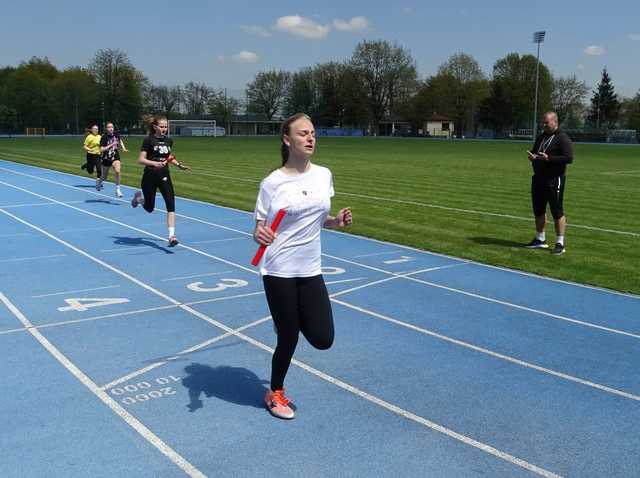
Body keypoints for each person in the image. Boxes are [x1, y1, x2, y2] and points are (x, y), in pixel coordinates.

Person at [253, 113, 353, 419]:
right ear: (287, 140)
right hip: (279, 269)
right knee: (289, 337)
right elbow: (259, 228)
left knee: (323, 339)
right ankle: (276, 392)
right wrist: (260, 232)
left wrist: (336, 221)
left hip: (310, 268)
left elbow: (318, 215)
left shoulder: (323, 175)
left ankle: (285, 320)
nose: (310, 138)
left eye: (313, 133)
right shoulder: (273, 183)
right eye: (303, 134)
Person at [131, 115, 190, 247]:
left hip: (164, 176)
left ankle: (171, 236)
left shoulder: (169, 141)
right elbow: (140, 160)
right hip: (150, 176)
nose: (164, 129)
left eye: (166, 127)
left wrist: (179, 165)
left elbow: (168, 156)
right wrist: (154, 164)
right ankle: (138, 199)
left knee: (171, 205)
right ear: (155, 127)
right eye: (162, 127)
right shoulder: (148, 140)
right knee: (149, 208)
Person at [526, 111, 574, 255]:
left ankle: (560, 243)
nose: (544, 125)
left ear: (555, 122)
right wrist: (533, 157)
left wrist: (549, 159)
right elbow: (536, 151)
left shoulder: (562, 138)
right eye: (543, 122)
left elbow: (569, 158)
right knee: (538, 209)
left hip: (554, 178)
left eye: (547, 122)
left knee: (557, 211)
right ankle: (540, 239)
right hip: (539, 178)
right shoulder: (541, 137)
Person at [97, 122, 128, 196]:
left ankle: (118, 190)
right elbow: (101, 150)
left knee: (117, 171)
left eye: (112, 127)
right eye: (109, 127)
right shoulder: (104, 137)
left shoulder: (116, 134)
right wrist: (111, 145)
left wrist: (123, 148)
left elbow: (119, 140)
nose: (111, 129)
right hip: (106, 158)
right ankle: (99, 182)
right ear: (106, 129)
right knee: (104, 177)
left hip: (115, 156)